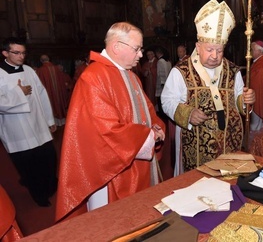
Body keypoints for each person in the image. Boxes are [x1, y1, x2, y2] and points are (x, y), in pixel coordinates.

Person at [55, 22, 166, 222]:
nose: (141, 54)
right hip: (110, 171)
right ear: (116, 47)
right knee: (112, 222)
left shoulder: (131, 76)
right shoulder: (94, 77)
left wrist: (157, 126)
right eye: (137, 49)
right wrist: (149, 136)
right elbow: (104, 132)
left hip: (137, 162)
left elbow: (148, 111)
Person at [161, 0, 256, 174]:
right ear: (198, 46)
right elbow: (167, 101)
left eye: (219, 50)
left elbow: (239, 101)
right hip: (194, 143)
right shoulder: (181, 71)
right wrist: (188, 114)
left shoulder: (232, 70)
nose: (215, 55)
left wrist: (246, 101)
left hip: (228, 144)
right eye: (210, 50)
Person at [0, 37, 58, 207]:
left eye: (23, 53)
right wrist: (19, 93)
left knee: (49, 158)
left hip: (38, 124)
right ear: (5, 53)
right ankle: (39, 195)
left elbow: (41, 94)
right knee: (29, 166)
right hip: (16, 129)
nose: (21, 56)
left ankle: (50, 186)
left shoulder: (29, 70)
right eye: (16, 53)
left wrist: (49, 119)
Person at [36, 54, 71, 126]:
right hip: (59, 93)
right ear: (49, 59)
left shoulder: (40, 70)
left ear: (41, 61)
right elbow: (63, 81)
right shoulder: (57, 69)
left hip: (49, 94)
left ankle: (51, 123)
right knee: (59, 104)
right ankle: (61, 121)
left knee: (50, 104)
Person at [155, 47, 171, 114]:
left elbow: (160, 73)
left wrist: (162, 83)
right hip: (168, 82)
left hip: (162, 83)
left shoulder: (160, 61)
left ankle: (162, 114)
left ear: (158, 53)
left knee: (161, 99)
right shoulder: (168, 61)